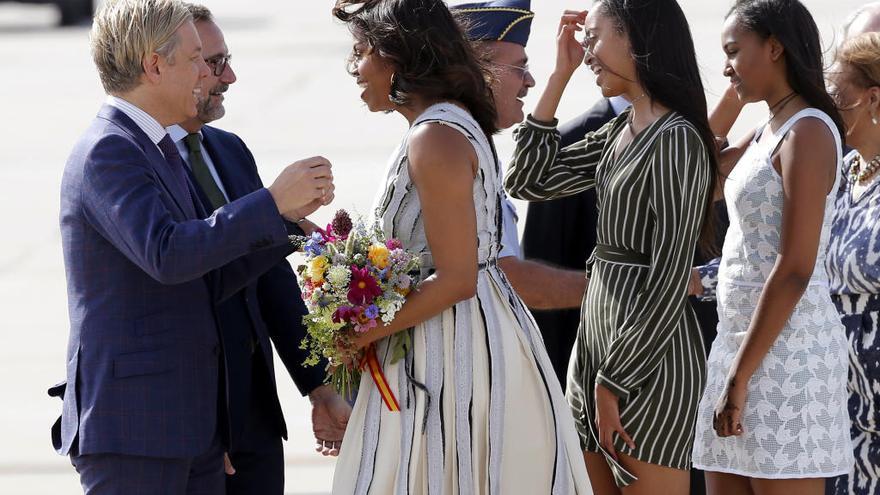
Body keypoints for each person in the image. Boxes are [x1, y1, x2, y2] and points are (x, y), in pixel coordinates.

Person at [53, 0, 334, 492]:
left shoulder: (160, 147)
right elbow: (168, 254)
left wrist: (289, 227)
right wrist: (269, 203)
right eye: (197, 60)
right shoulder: (110, 148)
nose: (209, 75)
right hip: (138, 431)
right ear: (155, 65)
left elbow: (210, 276)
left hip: (192, 428)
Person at [330, 0, 590, 493]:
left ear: (397, 55)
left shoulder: (436, 135)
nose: (355, 68)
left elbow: (457, 278)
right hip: (452, 340)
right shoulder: (439, 126)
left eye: (362, 51)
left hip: (453, 352)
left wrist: (360, 333)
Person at [504, 0, 718, 492]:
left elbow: (669, 274)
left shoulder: (677, 138)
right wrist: (558, 77)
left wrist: (615, 379)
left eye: (595, 38)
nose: (587, 52)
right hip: (595, 354)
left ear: (636, 39)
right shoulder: (621, 130)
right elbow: (527, 179)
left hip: (647, 364)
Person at [165, 4, 350, 493]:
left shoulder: (229, 150)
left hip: (255, 419)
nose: (229, 76)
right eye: (213, 63)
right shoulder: (139, 162)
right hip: (196, 422)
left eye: (227, 59)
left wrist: (319, 386)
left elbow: (267, 277)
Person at [689, 1, 853, 494]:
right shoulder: (768, 127)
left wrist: (739, 378)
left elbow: (796, 268)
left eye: (735, 51)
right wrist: (739, 93)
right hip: (736, 344)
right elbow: (701, 176)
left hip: (789, 355)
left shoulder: (807, 130)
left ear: (775, 47)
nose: (724, 67)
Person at [452, 0, 588, 347]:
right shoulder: (452, 149)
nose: (529, 81)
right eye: (519, 68)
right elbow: (510, 278)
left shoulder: (472, 145)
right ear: (475, 73)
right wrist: (646, 289)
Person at [825, 32, 880, 495]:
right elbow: (793, 252)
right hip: (839, 409)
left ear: (873, 98)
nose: (829, 110)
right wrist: (701, 279)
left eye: (838, 99)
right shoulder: (843, 170)